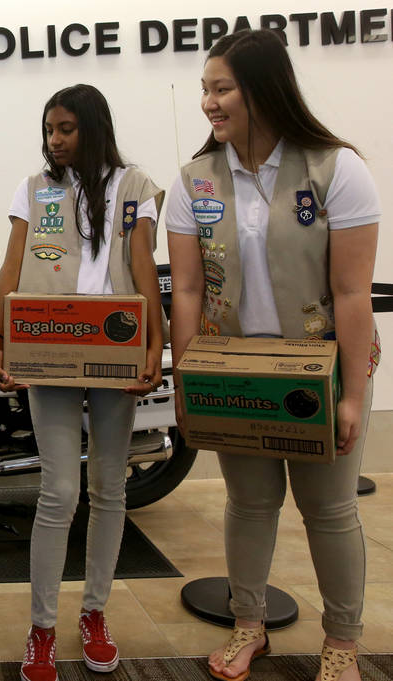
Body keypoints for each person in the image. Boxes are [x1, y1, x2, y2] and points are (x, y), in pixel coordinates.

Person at [166, 29, 381, 681]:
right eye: (205, 88)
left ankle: (342, 639)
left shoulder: (336, 167)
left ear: (264, 89)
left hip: (323, 370)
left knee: (331, 510)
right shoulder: (195, 180)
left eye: (222, 88)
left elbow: (350, 290)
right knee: (249, 505)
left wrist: (348, 394)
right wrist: (187, 379)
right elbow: (190, 291)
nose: (209, 102)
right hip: (238, 373)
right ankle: (249, 624)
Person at [0, 84, 166, 681]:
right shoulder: (35, 189)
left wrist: (155, 343)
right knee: (60, 491)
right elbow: (11, 266)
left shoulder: (135, 186)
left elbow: (143, 265)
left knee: (110, 487)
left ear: (92, 127)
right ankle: (41, 628)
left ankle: (94, 612)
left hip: (114, 345)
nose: (54, 141)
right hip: (50, 349)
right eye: (48, 130)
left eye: (65, 129)